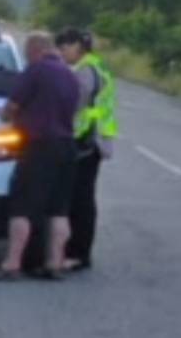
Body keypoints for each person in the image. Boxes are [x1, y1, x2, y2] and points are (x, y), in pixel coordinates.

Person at [0, 31, 79, 281]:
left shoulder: (36, 70)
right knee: (59, 209)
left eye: (27, 53)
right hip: (67, 146)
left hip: (39, 146)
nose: (26, 57)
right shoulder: (70, 74)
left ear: (35, 50)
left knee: (21, 206)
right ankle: (54, 263)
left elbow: (11, 108)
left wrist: (2, 114)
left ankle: (11, 265)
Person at [55, 27, 118, 271]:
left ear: (77, 46)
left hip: (87, 142)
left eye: (64, 48)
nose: (62, 54)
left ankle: (78, 254)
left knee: (80, 200)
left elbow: (75, 103)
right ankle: (76, 251)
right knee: (82, 198)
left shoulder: (85, 71)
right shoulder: (97, 65)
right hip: (94, 140)